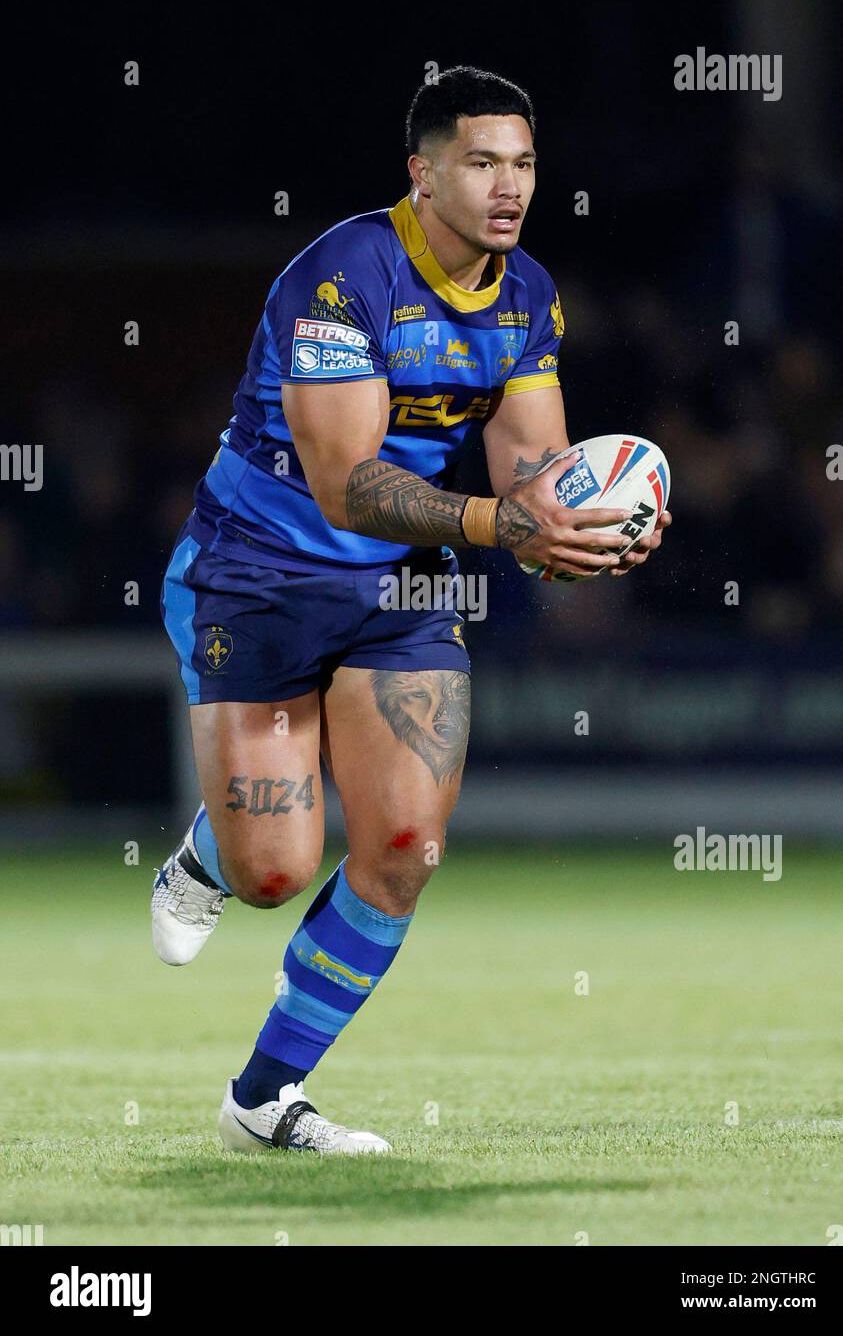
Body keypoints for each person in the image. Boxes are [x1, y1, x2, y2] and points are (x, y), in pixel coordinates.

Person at [154, 65, 671, 1155]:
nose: (507, 184)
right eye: (480, 161)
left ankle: (263, 1099)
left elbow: (529, 470)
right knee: (275, 871)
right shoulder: (340, 276)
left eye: (523, 162)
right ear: (422, 172)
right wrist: (503, 525)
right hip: (259, 575)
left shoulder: (525, 293)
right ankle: (209, 855)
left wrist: (578, 534)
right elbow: (346, 482)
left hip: (401, 586)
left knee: (401, 844)